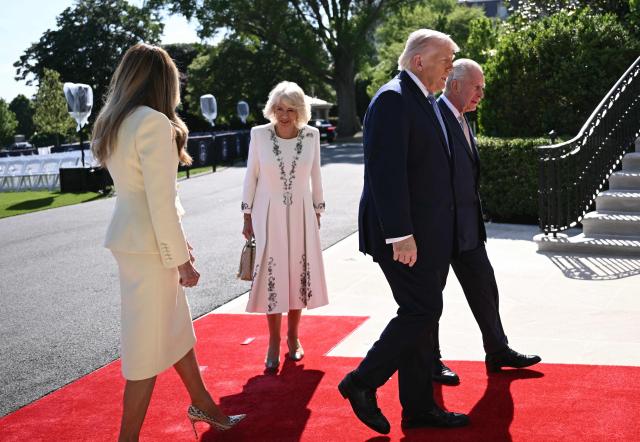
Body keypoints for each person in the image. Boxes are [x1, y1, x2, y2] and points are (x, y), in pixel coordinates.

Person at [92, 43, 245, 441]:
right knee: (145, 350)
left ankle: (205, 405)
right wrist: (181, 260)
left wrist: (178, 245)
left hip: (136, 241)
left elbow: (148, 197)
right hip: (150, 248)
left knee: (176, 329)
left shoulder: (114, 122)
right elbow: (159, 201)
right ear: (163, 82)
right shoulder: (154, 123)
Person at [338, 29, 469, 435]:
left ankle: (418, 410)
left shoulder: (422, 99)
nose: (451, 67)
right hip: (402, 237)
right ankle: (361, 382)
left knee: (422, 316)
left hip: (427, 234)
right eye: (446, 59)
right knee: (422, 310)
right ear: (419, 61)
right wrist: (400, 235)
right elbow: (386, 172)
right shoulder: (393, 99)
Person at [432, 59, 541, 385]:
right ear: (455, 85)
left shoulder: (464, 119)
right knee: (429, 300)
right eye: (476, 86)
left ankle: (497, 350)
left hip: (467, 229)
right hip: (437, 229)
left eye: (481, 87)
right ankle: (430, 361)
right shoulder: (434, 117)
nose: (481, 92)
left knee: (485, 288)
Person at [241, 81, 329, 371]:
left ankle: (293, 337)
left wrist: (318, 210)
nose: (284, 114)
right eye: (279, 108)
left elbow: (316, 176)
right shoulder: (259, 135)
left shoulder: (312, 135)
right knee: (272, 275)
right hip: (267, 214)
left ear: (300, 110)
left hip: (302, 213)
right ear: (272, 109)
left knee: (297, 274)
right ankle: (273, 341)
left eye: (291, 109)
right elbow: (251, 177)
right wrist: (246, 216)